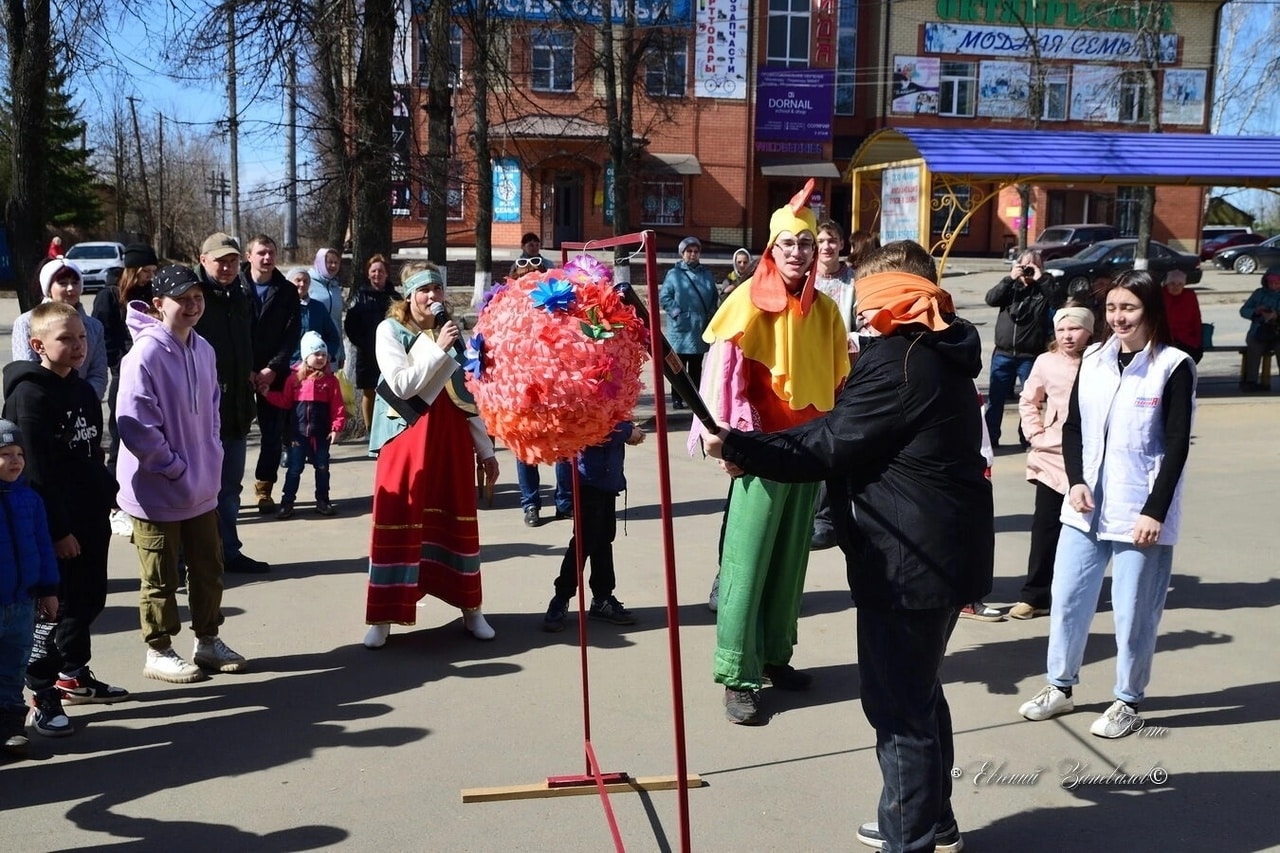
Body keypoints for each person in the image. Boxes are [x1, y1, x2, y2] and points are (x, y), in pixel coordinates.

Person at [701, 239, 993, 853]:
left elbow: (832, 442)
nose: (860, 312)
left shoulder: (902, 361)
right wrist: (751, 443)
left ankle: (908, 836)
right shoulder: (930, 352)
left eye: (869, 301)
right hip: (933, 554)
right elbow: (839, 428)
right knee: (918, 692)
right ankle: (929, 819)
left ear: (899, 300)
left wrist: (741, 447)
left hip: (910, 562)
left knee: (897, 708)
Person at [688, 180, 850, 725]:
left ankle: (777, 657)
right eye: (788, 244)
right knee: (747, 564)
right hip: (758, 450)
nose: (799, 253)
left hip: (809, 453)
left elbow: (836, 383)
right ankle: (737, 675)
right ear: (771, 250)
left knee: (790, 564)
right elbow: (720, 381)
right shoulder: (745, 302)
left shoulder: (826, 311)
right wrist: (726, 442)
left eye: (806, 244)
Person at [1018, 269, 1195, 740]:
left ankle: (1127, 699)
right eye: (1112, 308)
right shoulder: (1094, 357)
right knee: (1069, 599)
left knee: (1133, 609)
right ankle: (1059, 685)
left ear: (1151, 312)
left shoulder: (1173, 366)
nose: (1118, 318)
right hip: (1084, 503)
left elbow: (1176, 444)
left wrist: (1154, 510)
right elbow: (1074, 427)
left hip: (1140, 508)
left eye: (1128, 309)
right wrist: (1074, 481)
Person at [117, 265, 249, 683]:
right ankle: (158, 649)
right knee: (161, 575)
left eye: (197, 298)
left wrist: (211, 456)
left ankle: (207, 640)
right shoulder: (145, 354)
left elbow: (212, 411)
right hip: (157, 489)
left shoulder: (204, 349)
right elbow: (135, 423)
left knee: (208, 568)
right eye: (182, 299)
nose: (192, 306)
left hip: (201, 488)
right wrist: (173, 467)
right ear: (158, 305)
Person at [3, 302, 126, 737]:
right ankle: (42, 693)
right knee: (54, 610)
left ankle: (74, 673)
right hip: (57, 524)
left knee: (90, 600)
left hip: (91, 516)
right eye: (65, 339)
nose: (78, 346)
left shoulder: (83, 390)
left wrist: (109, 496)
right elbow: (36, 470)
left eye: (81, 337)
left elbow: (91, 452)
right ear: (38, 345)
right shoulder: (28, 395)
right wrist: (58, 531)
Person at [362, 263, 500, 648]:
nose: (432, 297)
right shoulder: (389, 331)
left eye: (437, 290)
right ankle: (384, 615)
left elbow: (468, 398)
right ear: (408, 295)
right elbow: (402, 385)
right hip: (405, 441)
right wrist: (438, 350)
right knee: (399, 519)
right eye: (424, 290)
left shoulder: (453, 335)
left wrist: (486, 451)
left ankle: (471, 609)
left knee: (456, 522)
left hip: (450, 443)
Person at [1009, 304, 1095, 621]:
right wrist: (1036, 434)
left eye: (1074, 329)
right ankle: (1034, 596)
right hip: (1051, 457)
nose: (1067, 336)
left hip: (1091, 458)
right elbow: (1029, 400)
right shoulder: (1045, 362)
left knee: (1085, 531)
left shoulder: (1101, 360)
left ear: (1089, 331)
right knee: (1045, 529)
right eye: (1061, 330)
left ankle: (1075, 594)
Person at [192, 232, 269, 575]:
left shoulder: (240, 296)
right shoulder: (193, 299)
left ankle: (229, 552)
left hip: (237, 408)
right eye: (220, 260)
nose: (226, 266)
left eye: (232, 260)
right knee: (196, 490)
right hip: (200, 413)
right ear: (203, 259)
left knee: (229, 488)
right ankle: (188, 561)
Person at [542, 421, 646, 632]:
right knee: (584, 541)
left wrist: (629, 429)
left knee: (604, 539)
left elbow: (617, 417)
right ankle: (561, 597)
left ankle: (602, 598)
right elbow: (594, 427)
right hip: (588, 478)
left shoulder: (615, 388)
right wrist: (628, 431)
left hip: (608, 478)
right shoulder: (586, 389)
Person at [0, 420, 60, 759]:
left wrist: (49, 590)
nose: (15, 460)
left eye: (19, 453)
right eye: (5, 454)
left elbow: (43, 546)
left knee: (13, 668)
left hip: (23, 603)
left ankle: (10, 729)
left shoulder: (30, 499)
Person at [240, 235, 302, 514]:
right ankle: (222, 491)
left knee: (273, 433)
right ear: (248, 255)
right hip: (239, 370)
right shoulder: (235, 287)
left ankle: (265, 487)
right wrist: (246, 368)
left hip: (273, 373)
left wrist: (271, 368)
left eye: (271, 253)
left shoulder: (286, 291)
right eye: (261, 253)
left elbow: (291, 335)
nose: (267, 258)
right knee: (230, 433)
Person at [264, 331, 346, 518]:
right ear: (305, 356)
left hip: (321, 435)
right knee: (294, 469)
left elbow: (337, 406)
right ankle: (287, 502)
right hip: (298, 435)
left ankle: (323, 500)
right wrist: (267, 394)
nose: (320, 358)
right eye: (316, 354)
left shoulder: (330, 381)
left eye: (324, 355)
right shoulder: (294, 379)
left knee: (322, 467)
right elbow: (285, 401)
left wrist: (336, 428)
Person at [93, 243, 159, 475]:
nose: (150, 277)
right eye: (146, 272)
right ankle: (114, 495)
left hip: (152, 370)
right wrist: (120, 364)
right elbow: (103, 336)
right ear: (132, 269)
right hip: (123, 374)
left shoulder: (152, 293)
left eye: (153, 272)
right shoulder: (109, 295)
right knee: (120, 437)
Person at [811, 220, 856, 551]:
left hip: (845, 371)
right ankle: (811, 513)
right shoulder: (805, 278)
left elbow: (864, 318)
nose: (826, 246)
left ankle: (828, 518)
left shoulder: (854, 281)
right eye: (821, 240)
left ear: (842, 244)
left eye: (832, 240)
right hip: (809, 371)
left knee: (837, 442)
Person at [983, 251, 1056, 448]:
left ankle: (1026, 438)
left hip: (1029, 357)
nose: (1029, 269)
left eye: (1034, 265)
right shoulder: (1010, 287)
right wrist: (1010, 278)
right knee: (995, 400)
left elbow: (1058, 302)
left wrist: (1040, 279)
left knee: (1030, 401)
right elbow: (990, 298)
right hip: (1003, 354)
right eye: (1025, 265)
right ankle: (991, 439)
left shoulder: (1044, 287)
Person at [12, 258, 109, 400]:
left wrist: (85, 401)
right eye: (63, 283)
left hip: (83, 408)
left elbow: (98, 374)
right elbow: (26, 370)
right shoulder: (26, 322)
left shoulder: (94, 326)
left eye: (75, 283)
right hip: (43, 404)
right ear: (48, 288)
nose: (70, 288)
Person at [659, 236, 718, 410]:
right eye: (689, 251)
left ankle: (695, 400)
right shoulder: (674, 274)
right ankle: (677, 398)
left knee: (696, 367)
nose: (693, 254)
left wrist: (711, 313)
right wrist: (677, 313)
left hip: (699, 327)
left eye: (696, 251)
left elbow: (714, 296)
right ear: (682, 254)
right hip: (680, 329)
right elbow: (665, 297)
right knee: (678, 366)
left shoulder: (706, 274)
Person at [344, 254, 400, 436]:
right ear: (368, 274)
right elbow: (350, 326)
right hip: (367, 354)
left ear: (386, 274)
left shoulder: (395, 298)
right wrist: (364, 344)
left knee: (392, 391)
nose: (377, 274)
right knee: (369, 392)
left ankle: (389, 429)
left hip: (391, 352)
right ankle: (370, 431)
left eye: (381, 271)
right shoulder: (359, 297)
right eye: (374, 271)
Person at [286, 266, 343, 364]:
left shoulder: (318, 308)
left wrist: (326, 355)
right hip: (287, 366)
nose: (302, 284)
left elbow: (333, 337)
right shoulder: (281, 307)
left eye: (306, 281)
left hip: (313, 368)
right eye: (298, 280)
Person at [1238, 265, 1280, 392]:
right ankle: (1251, 381)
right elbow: (1243, 310)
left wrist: (1276, 315)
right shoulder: (1258, 293)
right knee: (1254, 347)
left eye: (1277, 282)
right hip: (1258, 331)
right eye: (1271, 282)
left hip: (1278, 332)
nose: (1274, 285)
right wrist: (1256, 311)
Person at [310, 248, 346, 368]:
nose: (333, 265)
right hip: (312, 349)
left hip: (332, 348)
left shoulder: (335, 286)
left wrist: (341, 352)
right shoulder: (307, 282)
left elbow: (337, 321)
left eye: (336, 262)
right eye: (329, 262)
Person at [1161, 269, 1202, 364]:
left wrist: (1198, 341)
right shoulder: (1161, 295)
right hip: (1164, 339)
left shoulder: (1189, 296)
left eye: (1180, 284)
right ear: (1167, 284)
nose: (1176, 287)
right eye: (1172, 283)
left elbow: (1196, 320)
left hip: (1186, 339)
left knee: (1191, 356)